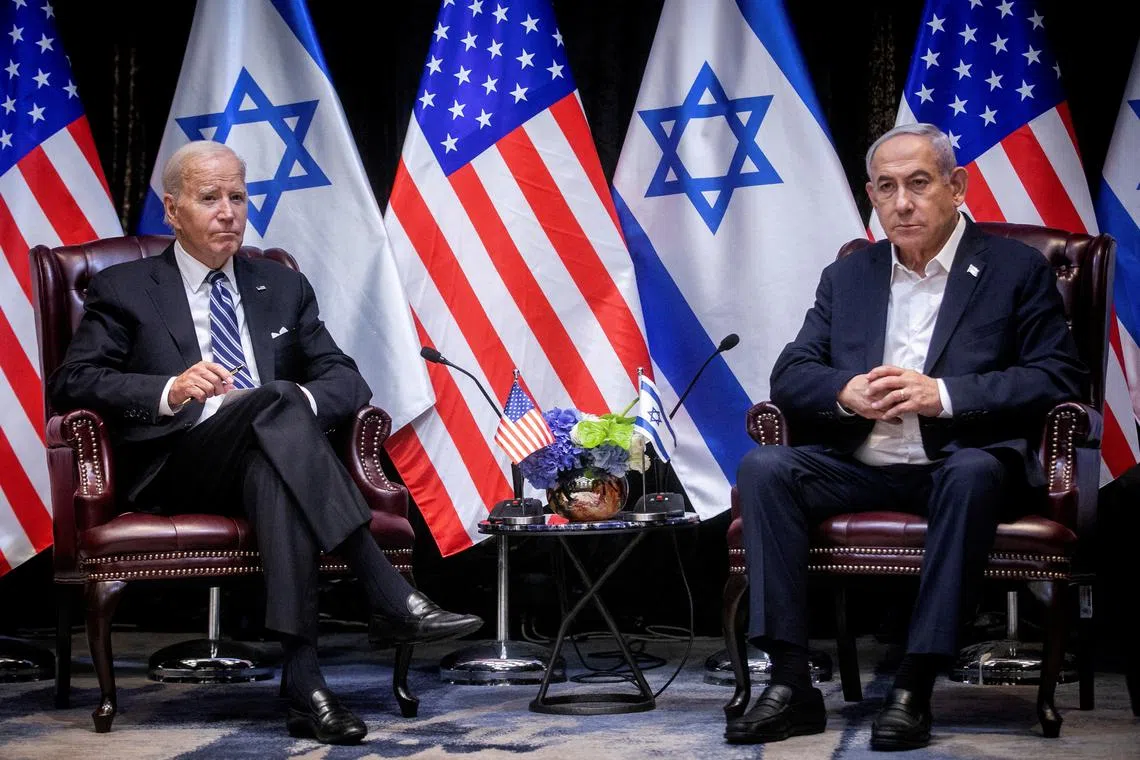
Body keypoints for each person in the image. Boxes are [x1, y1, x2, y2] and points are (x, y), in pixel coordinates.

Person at [48, 140, 483, 746]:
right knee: (276, 403)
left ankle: (305, 685)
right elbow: (75, 380)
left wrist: (293, 405)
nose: (228, 211)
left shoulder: (281, 285)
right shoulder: (124, 288)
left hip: (268, 457)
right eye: (209, 198)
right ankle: (384, 589)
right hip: (176, 462)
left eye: (237, 196)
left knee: (273, 439)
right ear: (172, 210)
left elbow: (344, 378)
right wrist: (170, 388)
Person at [725, 123, 1086, 750]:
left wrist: (942, 396)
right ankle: (789, 684)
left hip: (961, 463)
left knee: (973, 473)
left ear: (957, 187)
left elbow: (1058, 375)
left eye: (919, 184)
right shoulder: (849, 277)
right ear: (872, 195)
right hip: (863, 461)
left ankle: (914, 684)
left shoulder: (1014, 269)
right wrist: (846, 391)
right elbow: (792, 373)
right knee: (765, 468)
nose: (902, 203)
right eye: (886, 188)